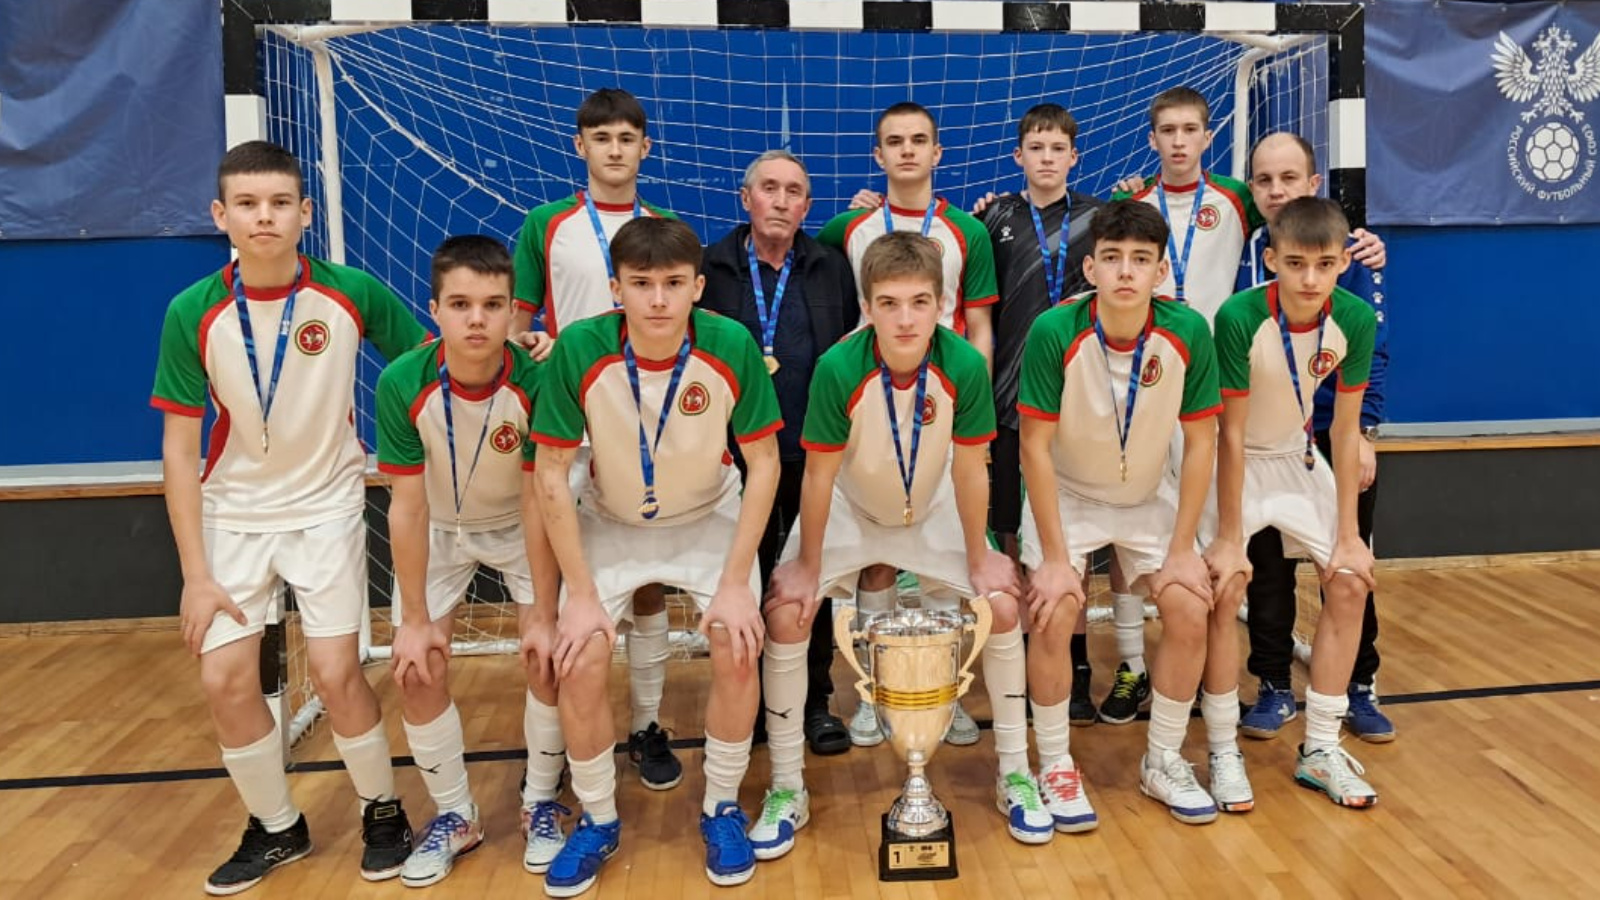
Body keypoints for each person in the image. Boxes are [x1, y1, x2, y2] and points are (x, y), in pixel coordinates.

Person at [152, 140, 428, 894]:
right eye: (246, 204)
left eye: (279, 203)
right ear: (220, 215)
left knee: (337, 673)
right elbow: (178, 449)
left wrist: (517, 355)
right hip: (233, 514)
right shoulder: (192, 311)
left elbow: (429, 365)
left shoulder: (352, 293)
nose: (264, 217)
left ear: (306, 213)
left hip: (327, 506)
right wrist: (195, 575)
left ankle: (382, 811)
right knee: (225, 681)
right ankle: (277, 827)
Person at [756, 231, 1055, 857]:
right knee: (787, 613)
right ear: (866, 307)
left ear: (942, 304)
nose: (905, 319)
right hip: (852, 508)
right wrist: (808, 566)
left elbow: (970, 469)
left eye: (920, 302)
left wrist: (979, 556)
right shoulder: (839, 367)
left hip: (934, 505)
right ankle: (786, 787)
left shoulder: (963, 365)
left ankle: (1016, 773)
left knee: (1002, 604)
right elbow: (818, 475)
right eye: (889, 303)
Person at [530, 217, 782, 895]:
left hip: (707, 518)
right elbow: (550, 472)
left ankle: (721, 806)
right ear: (616, 289)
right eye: (641, 284)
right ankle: (597, 817)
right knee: (579, 655)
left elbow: (763, 464)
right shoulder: (581, 349)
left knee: (737, 641)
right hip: (611, 521)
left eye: (674, 283)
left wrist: (736, 582)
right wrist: (580, 596)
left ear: (698, 286)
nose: (659, 299)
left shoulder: (730, 344)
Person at [1017, 200, 1226, 825]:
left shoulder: (1188, 331)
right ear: (1090, 269)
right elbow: (1033, 446)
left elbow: (1203, 443)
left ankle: (1163, 757)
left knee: (1190, 606)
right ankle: (1055, 763)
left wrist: (1184, 548)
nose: (1126, 272)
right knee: (1054, 608)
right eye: (1112, 258)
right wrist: (1057, 559)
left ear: (1161, 271)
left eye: (1140, 260)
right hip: (1069, 494)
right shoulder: (1054, 330)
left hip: (1148, 498)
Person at [375, 236, 568, 886]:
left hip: (520, 523)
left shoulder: (538, 378)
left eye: (492, 304)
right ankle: (456, 814)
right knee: (416, 664)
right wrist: (413, 620)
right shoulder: (402, 382)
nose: (477, 319)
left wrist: (543, 614)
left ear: (514, 309)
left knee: (547, 653)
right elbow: (405, 506)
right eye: (460, 304)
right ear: (434, 310)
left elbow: (539, 498)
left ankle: (541, 800)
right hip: (436, 527)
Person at [511, 87, 683, 790]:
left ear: (646, 148)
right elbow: (518, 323)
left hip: (644, 425)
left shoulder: (664, 228)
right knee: (560, 589)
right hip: (567, 427)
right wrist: (532, 345)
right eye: (601, 138)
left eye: (626, 138)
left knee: (646, 582)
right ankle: (554, 751)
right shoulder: (546, 224)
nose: (615, 150)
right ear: (580, 146)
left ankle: (645, 725)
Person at [820, 100, 1000, 747]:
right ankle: (875, 693)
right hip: (873, 409)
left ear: (937, 152)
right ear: (878, 155)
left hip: (943, 403)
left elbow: (979, 326)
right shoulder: (847, 227)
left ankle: (944, 691)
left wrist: (969, 405)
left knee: (944, 563)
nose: (906, 151)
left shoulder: (967, 232)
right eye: (894, 141)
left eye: (918, 140)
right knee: (876, 560)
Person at [1206, 196, 1381, 810]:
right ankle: (1222, 748)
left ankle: (1322, 747)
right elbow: (1230, 433)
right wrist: (1229, 537)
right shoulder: (1238, 316)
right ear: (1271, 259)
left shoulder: (1355, 318)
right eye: (1296, 263)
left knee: (1351, 580)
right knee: (1224, 584)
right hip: (1234, 458)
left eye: (1325, 265)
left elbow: (1344, 430)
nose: (1310, 279)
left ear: (1343, 264)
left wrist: (1349, 535)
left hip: (1298, 456)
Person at [1234, 134, 1394, 744]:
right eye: (1264, 180)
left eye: (1288, 178)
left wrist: (1366, 432)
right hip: (1261, 435)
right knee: (1266, 568)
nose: (1277, 191)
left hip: (1334, 429)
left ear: (1313, 182)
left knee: (1350, 561)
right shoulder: (1241, 249)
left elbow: (1374, 352)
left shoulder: (1353, 253)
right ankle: (1273, 682)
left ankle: (1359, 683)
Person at [700, 149, 860, 756]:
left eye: (794, 191)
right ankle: (753, 704)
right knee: (744, 578)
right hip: (732, 456)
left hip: (811, 451)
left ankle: (812, 701)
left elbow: (849, 349)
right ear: (747, 199)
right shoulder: (709, 267)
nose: (781, 200)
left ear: (807, 206)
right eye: (770, 188)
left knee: (806, 580)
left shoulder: (831, 267)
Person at [975, 103, 1105, 727]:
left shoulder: (1098, 219)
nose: (1047, 158)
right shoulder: (994, 217)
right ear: (1018, 156)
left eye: (1058, 148)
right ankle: (1024, 660)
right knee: (1011, 533)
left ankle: (1073, 668)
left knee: (1066, 537)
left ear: (1074, 157)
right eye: (1036, 147)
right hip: (1009, 399)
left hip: (1077, 402)